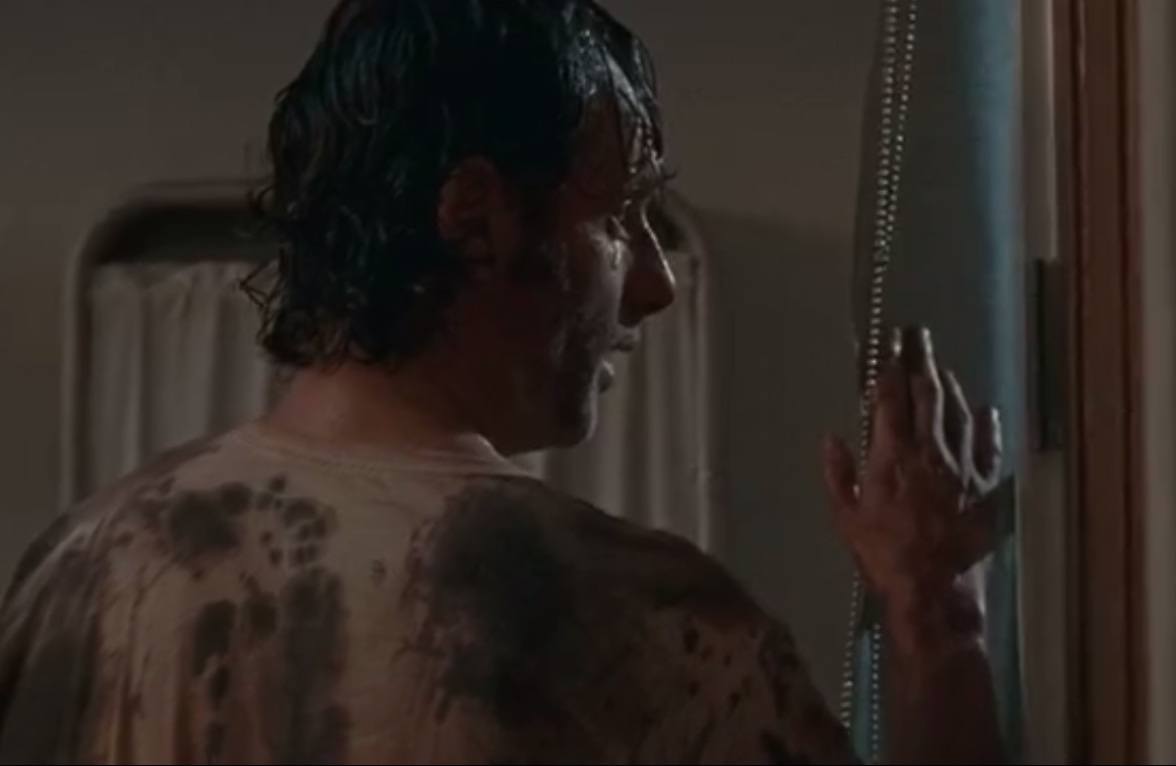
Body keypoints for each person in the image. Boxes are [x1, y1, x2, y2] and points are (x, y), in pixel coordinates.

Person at [0, 1, 1007, 763]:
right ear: (476, 219)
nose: (654, 284)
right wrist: (937, 617)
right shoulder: (623, 619)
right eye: (620, 217)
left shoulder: (78, 572)